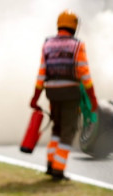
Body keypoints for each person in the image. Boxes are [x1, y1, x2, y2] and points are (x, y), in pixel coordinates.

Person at [30, 10, 98, 181]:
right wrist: (92, 98)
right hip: (70, 94)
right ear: (74, 26)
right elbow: (85, 74)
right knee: (68, 131)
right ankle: (58, 170)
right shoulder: (77, 45)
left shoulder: (48, 44)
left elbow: (41, 74)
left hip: (52, 94)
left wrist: (35, 97)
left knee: (57, 129)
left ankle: (50, 164)